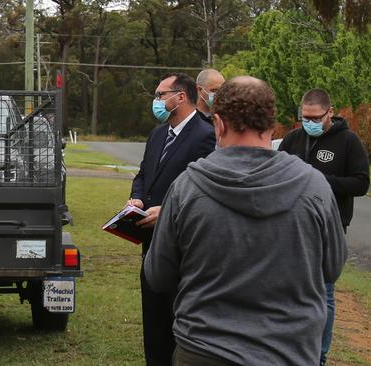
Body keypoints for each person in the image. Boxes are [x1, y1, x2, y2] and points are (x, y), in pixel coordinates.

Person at [144, 77, 347, 366]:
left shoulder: (186, 187)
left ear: (219, 124)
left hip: (204, 349)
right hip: (289, 352)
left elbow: (158, 275)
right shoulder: (315, 187)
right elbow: (332, 267)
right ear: (273, 127)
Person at [128, 72, 215, 365]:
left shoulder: (206, 136)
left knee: (179, 320)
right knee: (153, 320)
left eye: (160, 94)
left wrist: (167, 210)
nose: (156, 101)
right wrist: (137, 197)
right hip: (151, 243)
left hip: (185, 246)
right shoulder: (157, 134)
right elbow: (143, 175)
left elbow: (206, 190)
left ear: (180, 97)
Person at [278, 88, 370, 366]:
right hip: (291, 227)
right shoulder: (293, 139)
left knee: (324, 292)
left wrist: (321, 180)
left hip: (330, 227)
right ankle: (288, 349)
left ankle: (319, 354)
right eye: (305, 117)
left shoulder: (348, 141)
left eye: (315, 117)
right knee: (288, 291)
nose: (309, 122)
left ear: (330, 112)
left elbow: (361, 183)